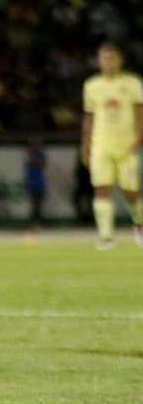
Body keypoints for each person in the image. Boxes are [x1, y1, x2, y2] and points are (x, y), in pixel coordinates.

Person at [80, 41, 143, 249]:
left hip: (127, 146)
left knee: (131, 191)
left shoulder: (133, 84)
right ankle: (106, 236)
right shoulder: (92, 86)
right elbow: (88, 119)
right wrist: (85, 148)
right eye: (104, 59)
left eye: (112, 58)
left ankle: (139, 224)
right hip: (101, 146)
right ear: (98, 61)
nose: (109, 62)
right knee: (102, 189)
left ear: (120, 60)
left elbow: (140, 114)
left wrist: (139, 139)